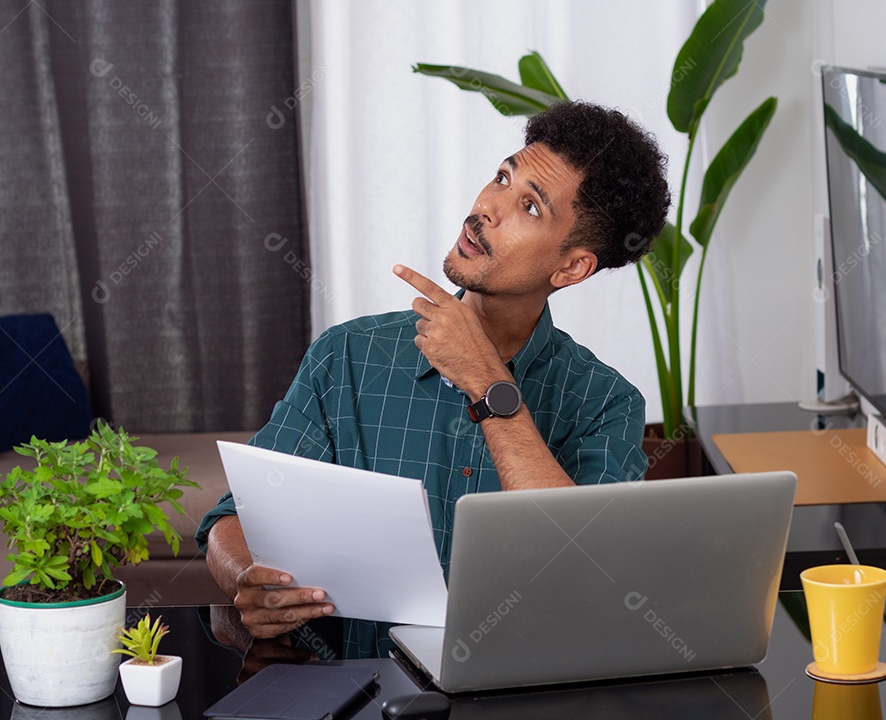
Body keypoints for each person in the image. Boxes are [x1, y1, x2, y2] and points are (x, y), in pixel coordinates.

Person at [197, 100, 671, 659]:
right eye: (502, 176)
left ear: (571, 267)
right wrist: (247, 578)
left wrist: (488, 383)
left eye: (531, 207)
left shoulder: (605, 404)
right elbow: (233, 519)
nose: (488, 208)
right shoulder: (349, 354)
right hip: (361, 692)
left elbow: (582, 576)